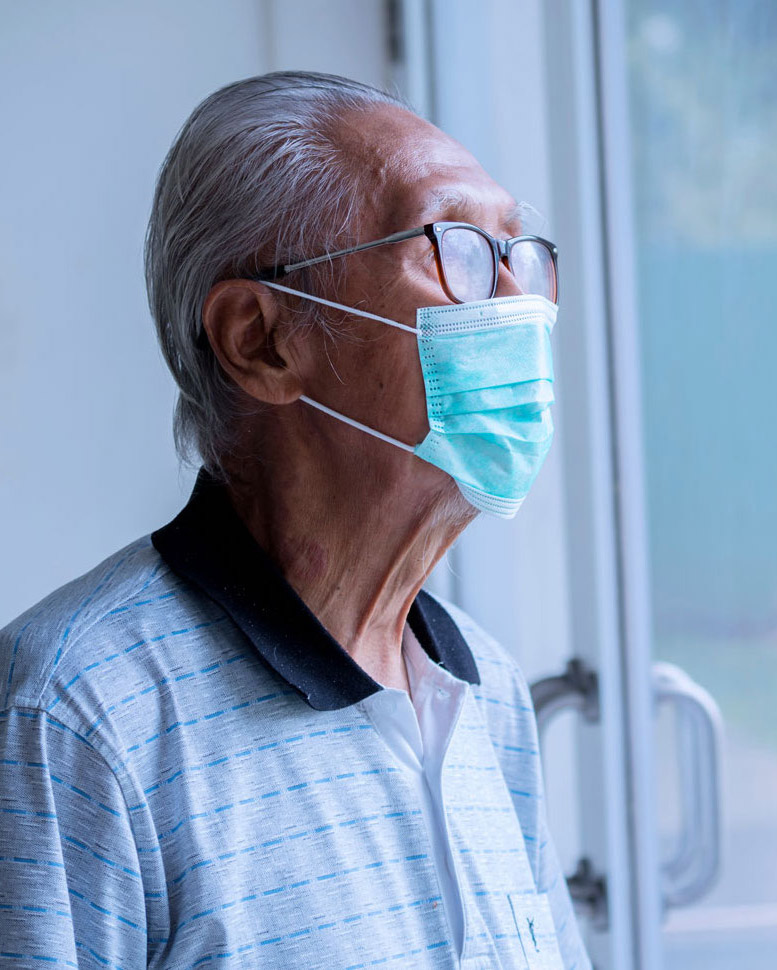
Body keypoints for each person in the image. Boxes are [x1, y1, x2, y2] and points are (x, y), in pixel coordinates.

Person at [0, 72, 591, 968]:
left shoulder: (487, 688)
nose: (519, 303)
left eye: (520, 252)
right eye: (458, 248)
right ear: (261, 340)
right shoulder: (72, 715)